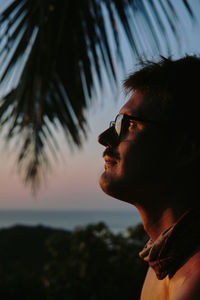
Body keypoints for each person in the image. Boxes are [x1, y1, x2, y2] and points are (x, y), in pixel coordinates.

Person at [98, 56, 200, 300]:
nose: (104, 137)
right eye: (116, 123)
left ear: (184, 150)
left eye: (129, 124)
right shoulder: (162, 265)